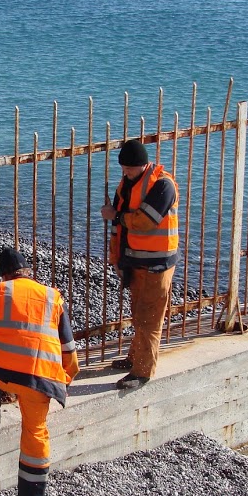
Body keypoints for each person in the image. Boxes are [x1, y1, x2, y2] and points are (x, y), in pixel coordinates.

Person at [0, 247, 80, 496]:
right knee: (35, 433)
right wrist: (62, 380)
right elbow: (68, 348)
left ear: (4, 274)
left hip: (3, 373)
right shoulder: (52, 296)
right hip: (39, 379)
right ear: (29, 271)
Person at [100, 138, 180, 390]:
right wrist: (117, 259)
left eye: (129, 168)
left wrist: (116, 215)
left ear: (143, 165)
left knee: (150, 318)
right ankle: (135, 357)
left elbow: (145, 221)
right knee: (139, 315)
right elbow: (118, 229)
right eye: (123, 168)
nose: (125, 172)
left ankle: (142, 372)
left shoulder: (163, 185)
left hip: (158, 265)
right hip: (135, 262)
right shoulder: (126, 184)